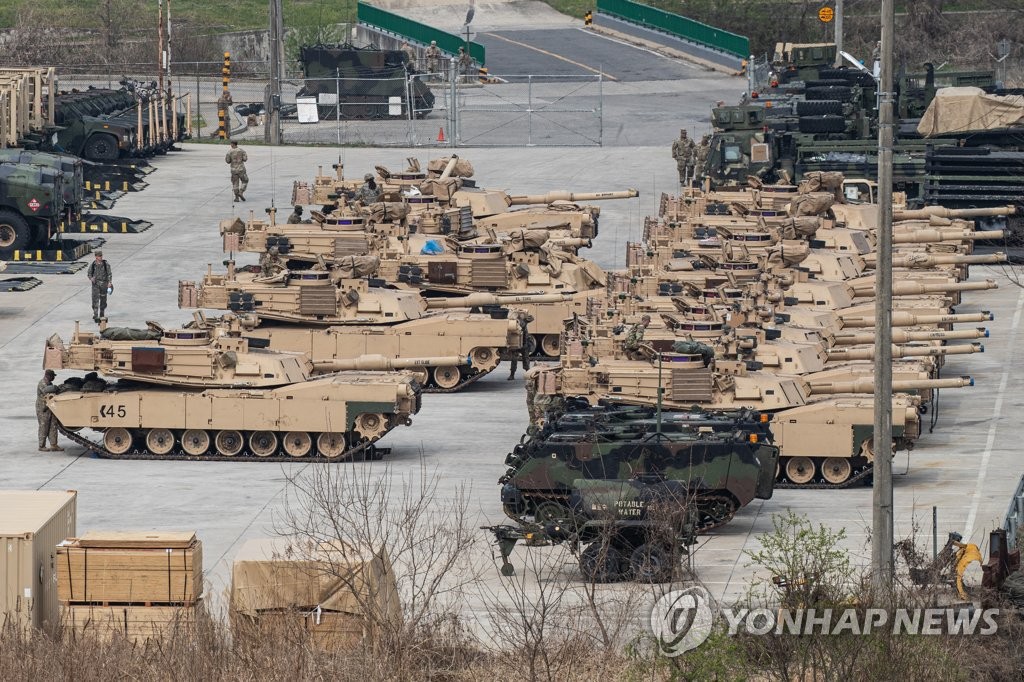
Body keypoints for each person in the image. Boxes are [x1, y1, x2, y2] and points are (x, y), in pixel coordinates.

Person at [36, 370, 63, 452]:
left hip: (50, 407)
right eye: (52, 376)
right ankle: (41, 445)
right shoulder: (42, 383)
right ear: (48, 376)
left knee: (53, 426)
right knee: (44, 426)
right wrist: (55, 388)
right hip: (43, 408)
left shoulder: (50, 384)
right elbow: (46, 391)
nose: (54, 378)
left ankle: (53, 444)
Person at [507, 311, 535, 380]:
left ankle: (528, 373)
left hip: (524, 342)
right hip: (515, 342)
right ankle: (512, 374)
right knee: (514, 359)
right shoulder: (512, 321)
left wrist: (524, 314)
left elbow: (532, 318)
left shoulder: (523, 320)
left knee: (526, 359)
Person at [87, 249, 112, 322]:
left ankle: (102, 314)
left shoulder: (105, 264)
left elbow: (109, 273)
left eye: (101, 256)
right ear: (96, 257)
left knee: (103, 300)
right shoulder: (93, 265)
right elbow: (89, 273)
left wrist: (109, 282)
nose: (100, 257)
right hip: (95, 285)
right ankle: (95, 314)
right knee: (95, 300)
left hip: (104, 284)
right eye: (99, 256)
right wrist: (91, 278)